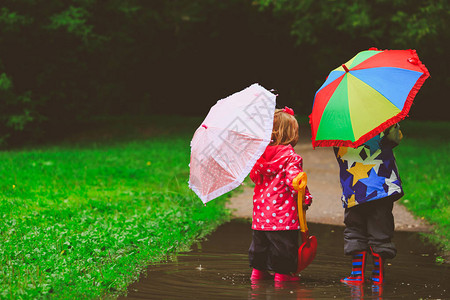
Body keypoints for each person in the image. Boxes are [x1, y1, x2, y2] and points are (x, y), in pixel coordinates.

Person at [248, 107, 312, 282]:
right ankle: (282, 276)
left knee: (260, 245)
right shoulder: (291, 157)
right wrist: (306, 198)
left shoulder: (259, 156)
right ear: (290, 134)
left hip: (261, 215)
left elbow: (255, 176)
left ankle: (258, 273)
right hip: (283, 217)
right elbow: (295, 182)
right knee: (283, 246)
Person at [335, 123, 404, 285]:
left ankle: (357, 274)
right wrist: (393, 126)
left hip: (355, 191)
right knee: (381, 231)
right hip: (381, 188)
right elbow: (396, 139)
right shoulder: (382, 122)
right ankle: (377, 274)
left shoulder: (337, 129)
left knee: (354, 229)